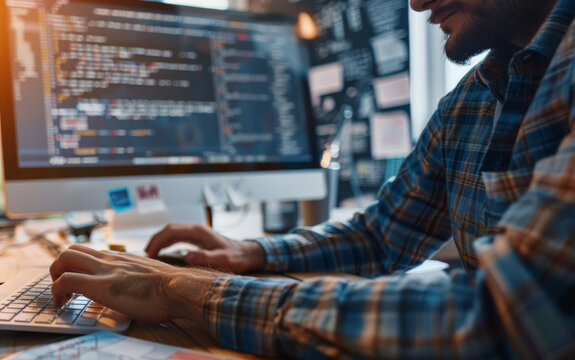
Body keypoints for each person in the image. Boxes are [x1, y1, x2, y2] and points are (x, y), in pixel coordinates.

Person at [50, 0, 575, 358]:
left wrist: (193, 293)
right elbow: (382, 235)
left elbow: (514, 315)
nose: (416, 4)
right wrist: (251, 254)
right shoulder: (474, 98)